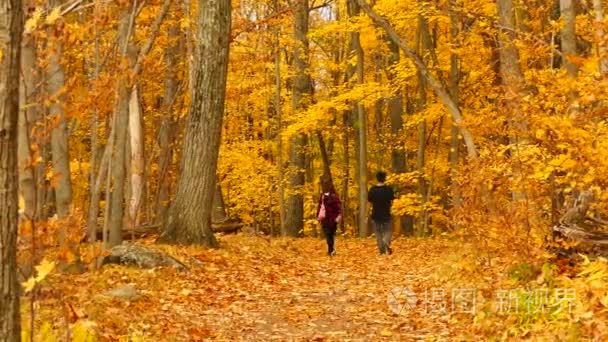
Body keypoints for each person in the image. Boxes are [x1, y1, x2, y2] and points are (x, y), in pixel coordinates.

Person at [368, 171, 395, 255]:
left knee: (378, 232)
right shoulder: (389, 189)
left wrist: (367, 214)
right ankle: (386, 241)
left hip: (376, 214)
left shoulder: (372, 190)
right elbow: (392, 202)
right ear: (384, 178)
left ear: (377, 178)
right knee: (388, 231)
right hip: (386, 214)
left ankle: (382, 251)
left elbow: (369, 203)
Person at [316, 177, 342, 256]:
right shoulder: (330, 196)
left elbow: (320, 207)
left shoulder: (328, 196)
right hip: (329, 219)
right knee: (330, 234)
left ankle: (331, 250)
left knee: (329, 234)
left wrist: (318, 215)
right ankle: (331, 250)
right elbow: (320, 206)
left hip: (329, 219)